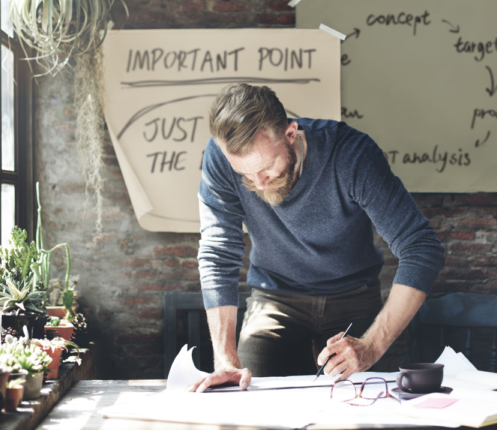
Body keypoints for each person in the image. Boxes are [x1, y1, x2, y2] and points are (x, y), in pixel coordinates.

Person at [189, 84, 445, 393]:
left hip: (352, 295)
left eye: (267, 167)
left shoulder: (351, 155)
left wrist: (371, 347)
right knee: (246, 397)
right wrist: (225, 361)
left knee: (363, 405)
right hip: (274, 298)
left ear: (291, 134)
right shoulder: (220, 157)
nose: (257, 183)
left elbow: (421, 248)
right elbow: (218, 255)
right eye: (244, 174)